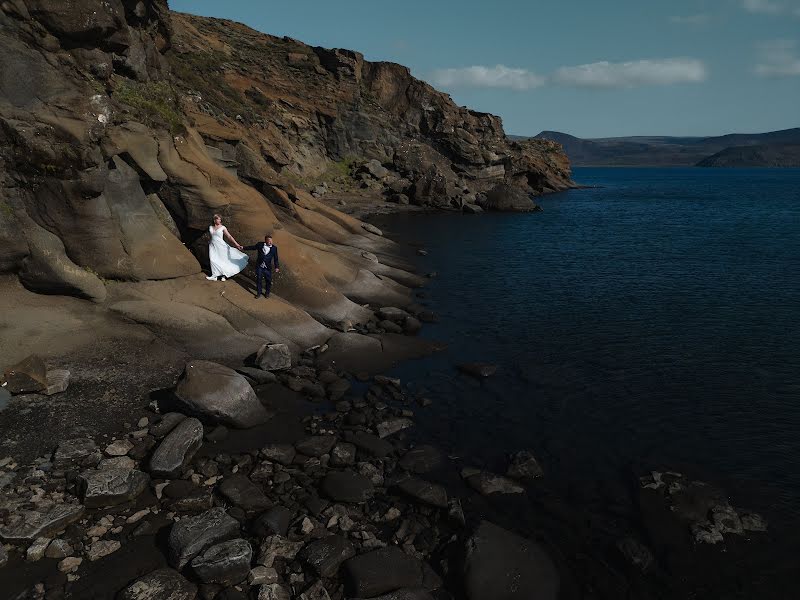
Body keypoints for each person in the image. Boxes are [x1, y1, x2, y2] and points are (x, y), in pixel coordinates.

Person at [207, 214, 248, 281]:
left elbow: (229, 236)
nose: (219, 220)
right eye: (218, 219)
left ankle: (224, 275)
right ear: (214, 220)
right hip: (212, 245)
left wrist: (236, 244)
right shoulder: (210, 227)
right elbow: (211, 236)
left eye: (220, 219)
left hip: (221, 245)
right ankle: (215, 276)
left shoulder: (223, 227)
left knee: (223, 260)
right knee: (213, 259)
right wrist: (209, 242)